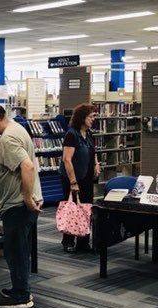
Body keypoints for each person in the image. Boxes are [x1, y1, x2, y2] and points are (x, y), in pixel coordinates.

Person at [0, 103, 42, 308]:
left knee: (15, 251)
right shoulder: (16, 129)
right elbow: (13, 164)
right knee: (20, 248)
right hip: (19, 203)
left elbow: (27, 165)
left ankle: (21, 295)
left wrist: (26, 197)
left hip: (17, 204)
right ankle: (19, 288)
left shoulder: (8, 138)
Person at [59, 103, 99, 253]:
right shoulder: (71, 134)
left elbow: (91, 151)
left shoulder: (89, 134)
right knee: (72, 209)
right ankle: (68, 241)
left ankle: (83, 241)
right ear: (82, 118)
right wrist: (73, 182)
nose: (93, 119)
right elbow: (66, 159)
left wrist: (96, 163)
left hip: (87, 177)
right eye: (91, 117)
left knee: (85, 209)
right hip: (72, 178)